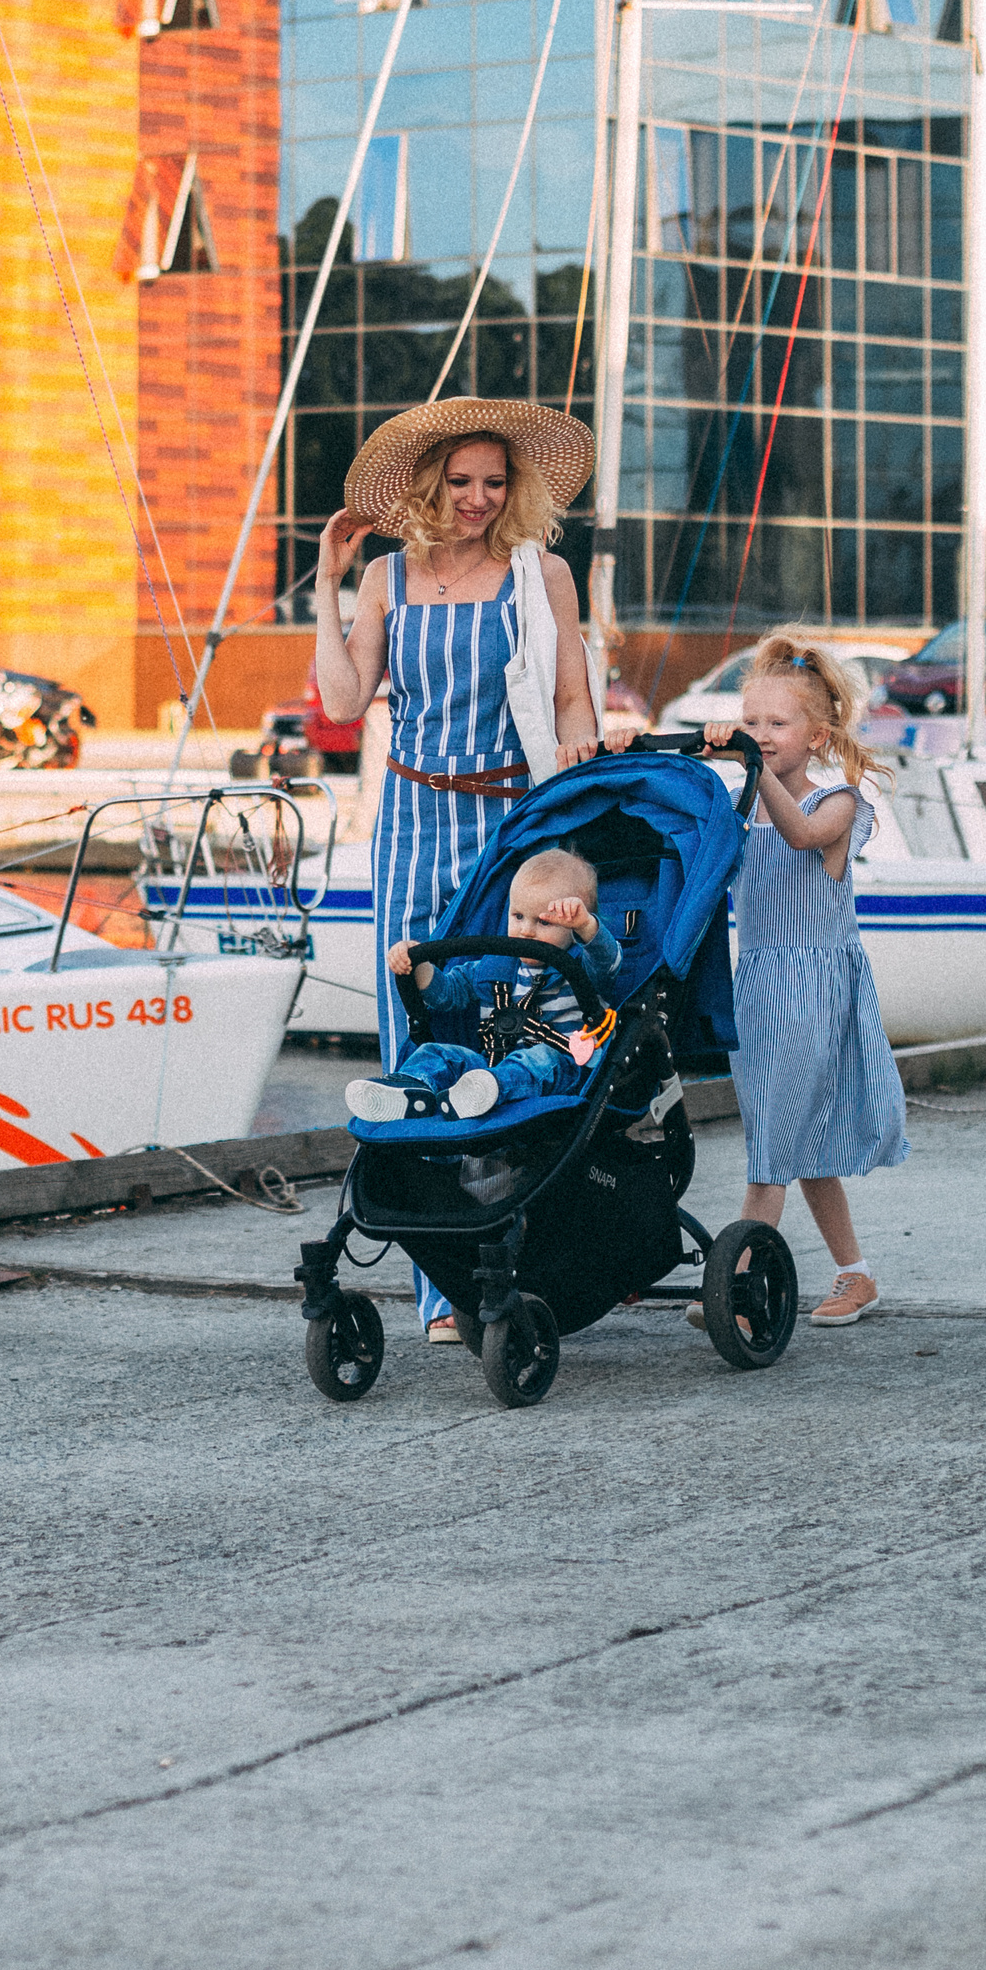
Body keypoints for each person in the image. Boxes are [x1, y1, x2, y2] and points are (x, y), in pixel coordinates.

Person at [314, 400, 599, 1343]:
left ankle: (503, 1252)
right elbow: (348, 699)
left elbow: (570, 705)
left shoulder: (540, 573)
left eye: (496, 481)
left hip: (508, 819)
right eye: (462, 480)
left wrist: (574, 821)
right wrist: (328, 582)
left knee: (503, 1018)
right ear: (431, 482)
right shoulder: (388, 577)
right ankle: (437, 1286)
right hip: (408, 815)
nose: (479, 499)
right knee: (414, 1015)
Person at [702, 633, 907, 1325]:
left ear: (817, 737)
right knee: (801, 1143)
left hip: (813, 989)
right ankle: (857, 1274)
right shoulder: (739, 800)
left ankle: (734, 1285)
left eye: (776, 725)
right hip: (758, 989)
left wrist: (746, 770)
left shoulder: (839, 802)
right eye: (750, 723)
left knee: (771, 1151)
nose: (759, 736)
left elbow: (799, 835)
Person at [350, 847, 621, 1123]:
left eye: (543, 921)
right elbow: (447, 994)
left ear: (572, 927)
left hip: (561, 1069)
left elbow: (606, 961)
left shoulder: (580, 968)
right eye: (517, 916)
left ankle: (483, 1091)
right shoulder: (494, 968)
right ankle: (411, 1089)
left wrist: (586, 926)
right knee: (438, 1053)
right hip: (490, 1069)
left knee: (536, 1059)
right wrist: (417, 966)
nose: (526, 930)